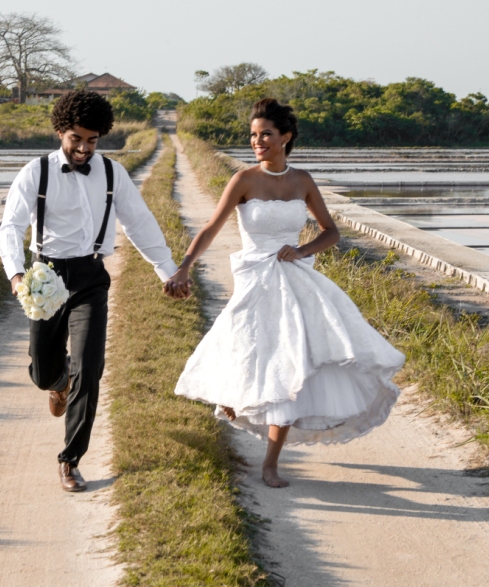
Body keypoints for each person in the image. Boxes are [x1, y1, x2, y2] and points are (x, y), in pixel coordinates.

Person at [167, 98, 405, 488]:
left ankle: (270, 464)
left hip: (295, 280)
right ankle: (235, 401)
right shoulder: (243, 179)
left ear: (285, 137)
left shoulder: (303, 180)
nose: (258, 141)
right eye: (253, 135)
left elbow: (331, 232)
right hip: (255, 281)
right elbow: (211, 227)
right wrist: (185, 266)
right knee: (243, 349)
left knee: (290, 359)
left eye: (266, 135)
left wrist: (302, 250)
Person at [0, 90, 187, 493]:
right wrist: (16, 275)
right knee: (42, 371)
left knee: (91, 366)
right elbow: (11, 227)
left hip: (89, 277)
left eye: (92, 140)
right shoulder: (36, 172)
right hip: (44, 277)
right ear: (60, 132)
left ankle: (70, 460)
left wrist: (167, 272)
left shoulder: (113, 173)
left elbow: (139, 222)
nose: (83, 148)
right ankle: (57, 381)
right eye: (76, 139)